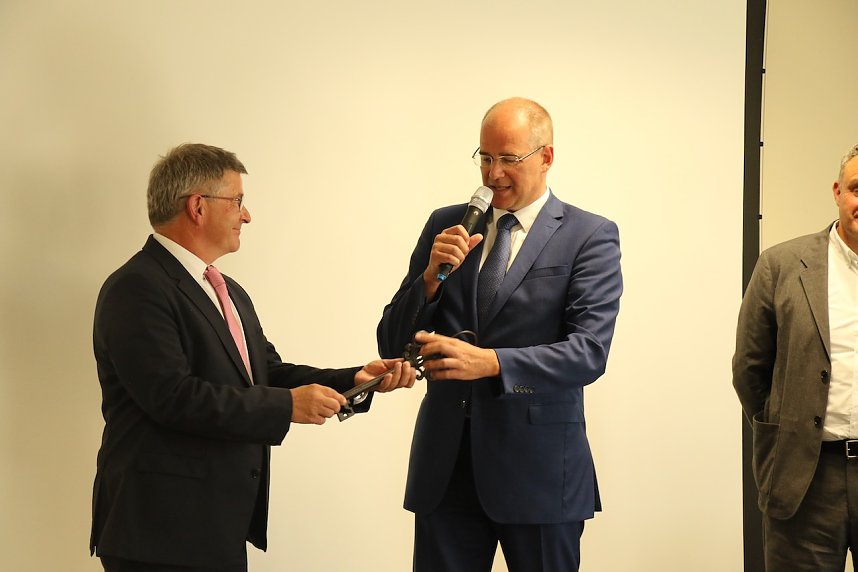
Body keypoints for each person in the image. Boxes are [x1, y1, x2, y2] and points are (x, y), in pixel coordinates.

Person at [90, 143, 415, 571]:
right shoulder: (137, 287)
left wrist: (354, 378)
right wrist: (287, 407)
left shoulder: (227, 291)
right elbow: (172, 397)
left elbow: (266, 372)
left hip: (215, 526)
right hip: (160, 531)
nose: (246, 215)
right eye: (238, 201)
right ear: (197, 207)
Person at [377, 97, 623, 571]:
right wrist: (429, 279)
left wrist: (492, 363)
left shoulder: (589, 235)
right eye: (485, 157)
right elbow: (391, 342)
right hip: (445, 472)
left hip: (541, 474)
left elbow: (588, 353)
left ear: (546, 157)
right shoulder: (445, 224)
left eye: (509, 159)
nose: (492, 175)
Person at [733, 142, 858, 570]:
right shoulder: (781, 265)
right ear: (838, 192)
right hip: (806, 478)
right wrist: (786, 428)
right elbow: (750, 369)